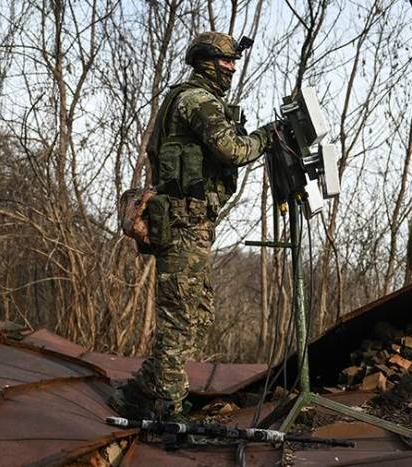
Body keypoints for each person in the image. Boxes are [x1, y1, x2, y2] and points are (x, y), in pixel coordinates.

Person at [109, 32, 273, 423]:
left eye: (234, 62)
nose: (231, 68)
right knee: (179, 318)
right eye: (225, 61)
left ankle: (137, 395)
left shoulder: (189, 98)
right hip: (184, 222)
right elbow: (232, 150)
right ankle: (168, 409)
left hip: (191, 222)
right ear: (205, 62)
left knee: (196, 315)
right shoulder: (196, 100)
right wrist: (268, 136)